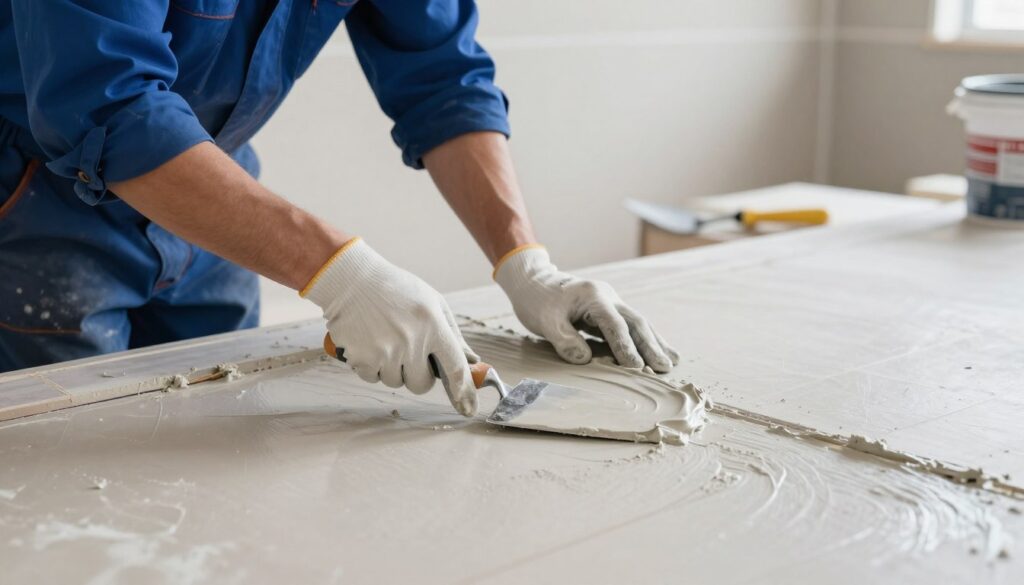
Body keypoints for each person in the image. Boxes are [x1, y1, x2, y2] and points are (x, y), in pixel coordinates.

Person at [0, 0, 678, 415]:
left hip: (215, 208)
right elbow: (108, 104)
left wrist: (524, 262)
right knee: (63, 484)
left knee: (205, 457)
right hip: (35, 210)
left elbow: (443, 74)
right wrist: (338, 271)